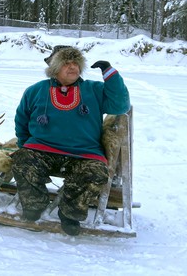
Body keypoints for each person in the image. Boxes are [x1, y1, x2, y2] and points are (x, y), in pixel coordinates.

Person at [10, 45, 130, 236]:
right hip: (43, 149)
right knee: (21, 158)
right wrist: (26, 146)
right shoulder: (36, 91)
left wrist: (110, 74)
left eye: (76, 63)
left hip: (84, 153)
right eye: (66, 63)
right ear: (54, 68)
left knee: (96, 172)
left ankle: (70, 213)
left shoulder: (94, 90)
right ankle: (34, 204)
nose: (73, 67)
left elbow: (120, 105)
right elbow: (21, 121)